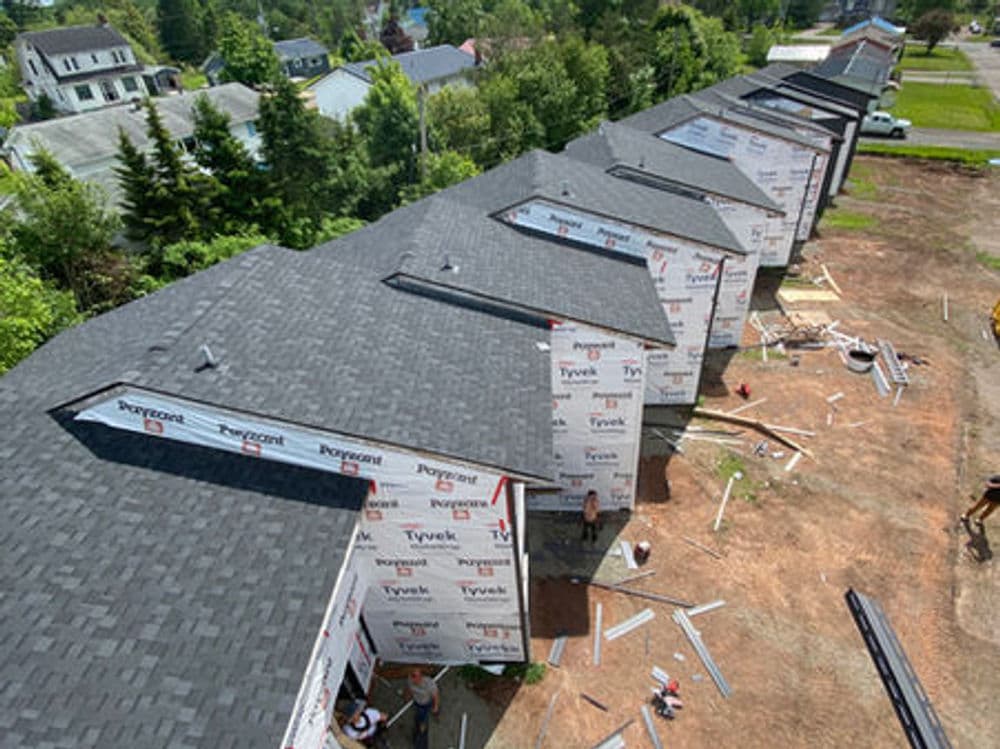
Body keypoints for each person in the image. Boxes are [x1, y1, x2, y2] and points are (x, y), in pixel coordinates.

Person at [406, 668, 439, 748]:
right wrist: (407, 696)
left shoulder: (429, 683)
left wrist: (436, 706)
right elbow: (409, 689)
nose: (413, 679)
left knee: (423, 725)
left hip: (425, 704)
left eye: (414, 676)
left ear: (420, 676)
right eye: (412, 676)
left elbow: (435, 695)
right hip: (417, 703)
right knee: (418, 720)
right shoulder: (410, 681)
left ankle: (421, 745)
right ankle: (417, 734)